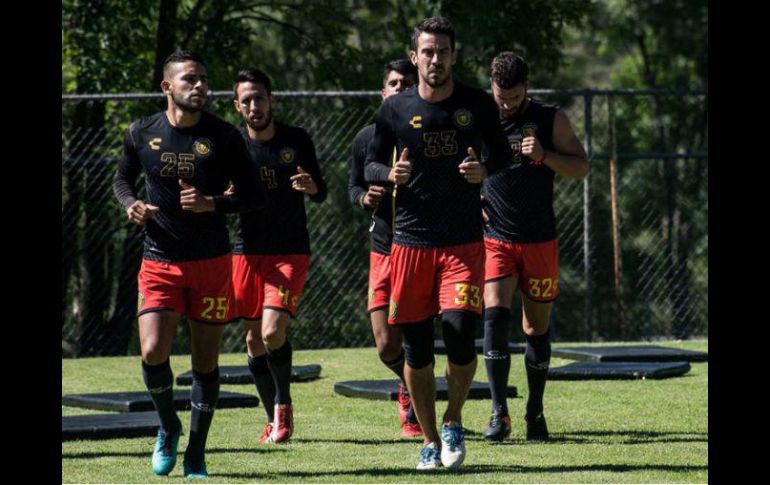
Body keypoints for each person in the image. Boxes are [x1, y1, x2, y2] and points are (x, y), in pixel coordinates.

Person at [364, 17, 513, 470]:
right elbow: (370, 164)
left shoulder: (477, 103)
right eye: (427, 51)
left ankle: (453, 420)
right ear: (415, 57)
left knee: (461, 335)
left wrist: (485, 170)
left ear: (454, 55)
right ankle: (429, 441)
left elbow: (502, 153)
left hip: (462, 243)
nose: (435, 59)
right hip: (409, 244)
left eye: (443, 51)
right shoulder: (394, 109)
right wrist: (390, 174)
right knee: (417, 351)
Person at [112, 51, 265, 478]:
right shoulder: (141, 131)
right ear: (167, 87)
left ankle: (196, 450)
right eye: (190, 79)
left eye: (203, 79)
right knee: (152, 350)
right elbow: (122, 178)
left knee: (205, 362)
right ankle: (169, 426)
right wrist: (131, 204)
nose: (199, 86)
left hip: (211, 263)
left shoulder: (224, 136)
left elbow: (254, 196)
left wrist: (211, 203)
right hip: (159, 260)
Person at [480, 51, 589, 442]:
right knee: (494, 316)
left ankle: (535, 412)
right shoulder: (480, 116)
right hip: (496, 239)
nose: (507, 105)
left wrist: (545, 156)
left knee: (535, 327)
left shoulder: (549, 118)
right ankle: (499, 414)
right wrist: (472, 198)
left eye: (514, 97)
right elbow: (460, 166)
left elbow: (581, 166)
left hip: (540, 239)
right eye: (501, 97)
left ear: (526, 86)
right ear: (492, 87)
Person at [230, 68, 327, 445]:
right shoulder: (232, 144)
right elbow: (218, 196)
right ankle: (271, 417)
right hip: (247, 252)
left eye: (260, 98)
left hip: (289, 250)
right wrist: (222, 195)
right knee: (254, 340)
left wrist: (311, 186)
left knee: (272, 331)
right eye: (247, 100)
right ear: (238, 106)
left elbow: (320, 192)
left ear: (272, 100)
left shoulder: (296, 139)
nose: (254, 105)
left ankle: (283, 405)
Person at [348, 59, 421, 437]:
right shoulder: (366, 138)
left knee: (418, 336)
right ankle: (409, 383)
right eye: (393, 83)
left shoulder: (426, 133)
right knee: (385, 345)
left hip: (421, 246)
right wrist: (365, 199)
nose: (399, 88)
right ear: (382, 92)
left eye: (406, 83)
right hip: (383, 248)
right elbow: (353, 187)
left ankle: (419, 404)